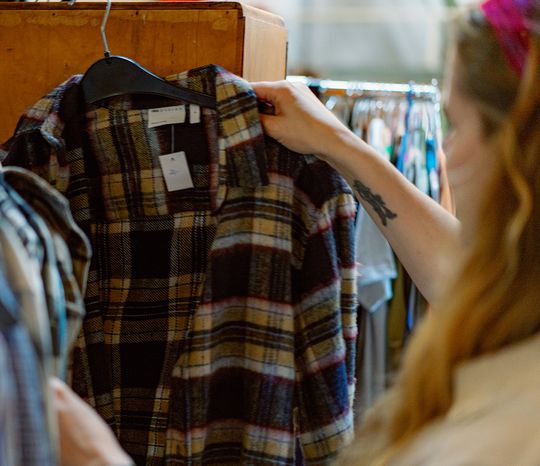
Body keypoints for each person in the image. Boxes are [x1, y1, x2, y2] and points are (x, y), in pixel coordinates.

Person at [53, 0, 540, 464]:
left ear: (518, 149)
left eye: (457, 123)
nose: (446, 151)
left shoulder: (516, 424)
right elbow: (468, 275)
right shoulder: (42, 158)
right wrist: (338, 144)